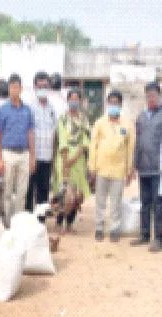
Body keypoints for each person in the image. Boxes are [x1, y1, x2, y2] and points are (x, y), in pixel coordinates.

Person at [131, 82, 162, 252]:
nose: (151, 98)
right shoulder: (142, 116)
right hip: (143, 167)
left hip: (159, 169)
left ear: (159, 96)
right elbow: (138, 142)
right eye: (148, 96)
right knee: (145, 203)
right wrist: (134, 165)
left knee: (158, 205)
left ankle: (158, 238)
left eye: (154, 95)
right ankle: (144, 234)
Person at [88, 90, 136, 242]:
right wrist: (92, 168)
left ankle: (115, 229)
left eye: (116, 103)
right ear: (107, 104)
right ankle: (99, 228)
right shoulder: (99, 123)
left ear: (120, 105)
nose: (113, 106)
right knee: (100, 201)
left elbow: (130, 148)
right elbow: (93, 146)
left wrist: (129, 170)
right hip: (101, 168)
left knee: (116, 202)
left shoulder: (127, 124)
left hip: (118, 170)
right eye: (111, 103)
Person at [0, 74, 35, 226]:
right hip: (8, 154)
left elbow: (30, 133)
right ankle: (7, 224)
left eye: (17, 87)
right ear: (8, 89)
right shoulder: (2, 110)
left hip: (24, 154)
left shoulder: (27, 110)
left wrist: (32, 157)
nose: (14, 90)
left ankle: (18, 225)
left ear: (21, 88)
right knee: (6, 191)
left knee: (22, 192)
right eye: (11, 87)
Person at [53, 89, 91, 233]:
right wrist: (65, 161)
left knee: (76, 194)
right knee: (62, 191)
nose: (74, 102)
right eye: (71, 99)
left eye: (76, 99)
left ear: (79, 101)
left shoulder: (84, 120)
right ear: (67, 101)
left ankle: (70, 224)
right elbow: (61, 138)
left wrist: (75, 157)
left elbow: (86, 140)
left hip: (78, 160)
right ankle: (58, 222)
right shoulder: (62, 118)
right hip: (63, 157)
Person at [26, 71, 57, 216]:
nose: (42, 89)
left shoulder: (52, 109)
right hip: (33, 157)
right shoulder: (30, 108)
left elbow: (54, 134)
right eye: (40, 86)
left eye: (45, 86)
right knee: (29, 190)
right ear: (35, 88)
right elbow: (28, 132)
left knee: (44, 191)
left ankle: (40, 223)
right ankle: (27, 222)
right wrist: (31, 156)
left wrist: (54, 158)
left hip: (47, 157)